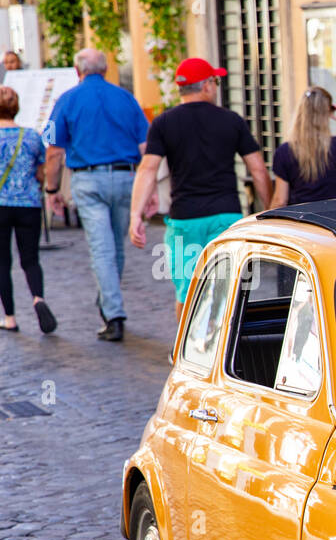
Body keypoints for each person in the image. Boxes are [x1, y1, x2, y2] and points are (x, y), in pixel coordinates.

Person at [129, 56, 271, 322]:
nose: (216, 87)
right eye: (215, 81)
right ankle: (222, 349)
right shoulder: (231, 120)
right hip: (226, 218)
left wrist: (136, 215)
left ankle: (186, 352)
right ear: (206, 86)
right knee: (227, 288)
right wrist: (271, 210)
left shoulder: (164, 123)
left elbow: (148, 169)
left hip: (185, 219)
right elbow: (258, 170)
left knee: (187, 291)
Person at [43, 48, 150, 342]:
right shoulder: (126, 98)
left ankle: (113, 313)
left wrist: (52, 190)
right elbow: (145, 147)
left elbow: (53, 151)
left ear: (78, 71)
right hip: (126, 176)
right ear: (105, 70)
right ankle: (109, 301)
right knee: (115, 246)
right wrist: (148, 188)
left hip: (88, 179)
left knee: (103, 250)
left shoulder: (66, 100)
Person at [0, 86, 55, 334]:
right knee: (30, 259)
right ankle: (38, 298)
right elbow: (40, 172)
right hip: (28, 205)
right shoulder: (32, 137)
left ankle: (9, 317)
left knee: (2, 263)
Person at [269, 86, 336, 208]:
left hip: (302, 221)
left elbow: (280, 200)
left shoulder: (284, 151)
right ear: (327, 112)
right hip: (334, 220)